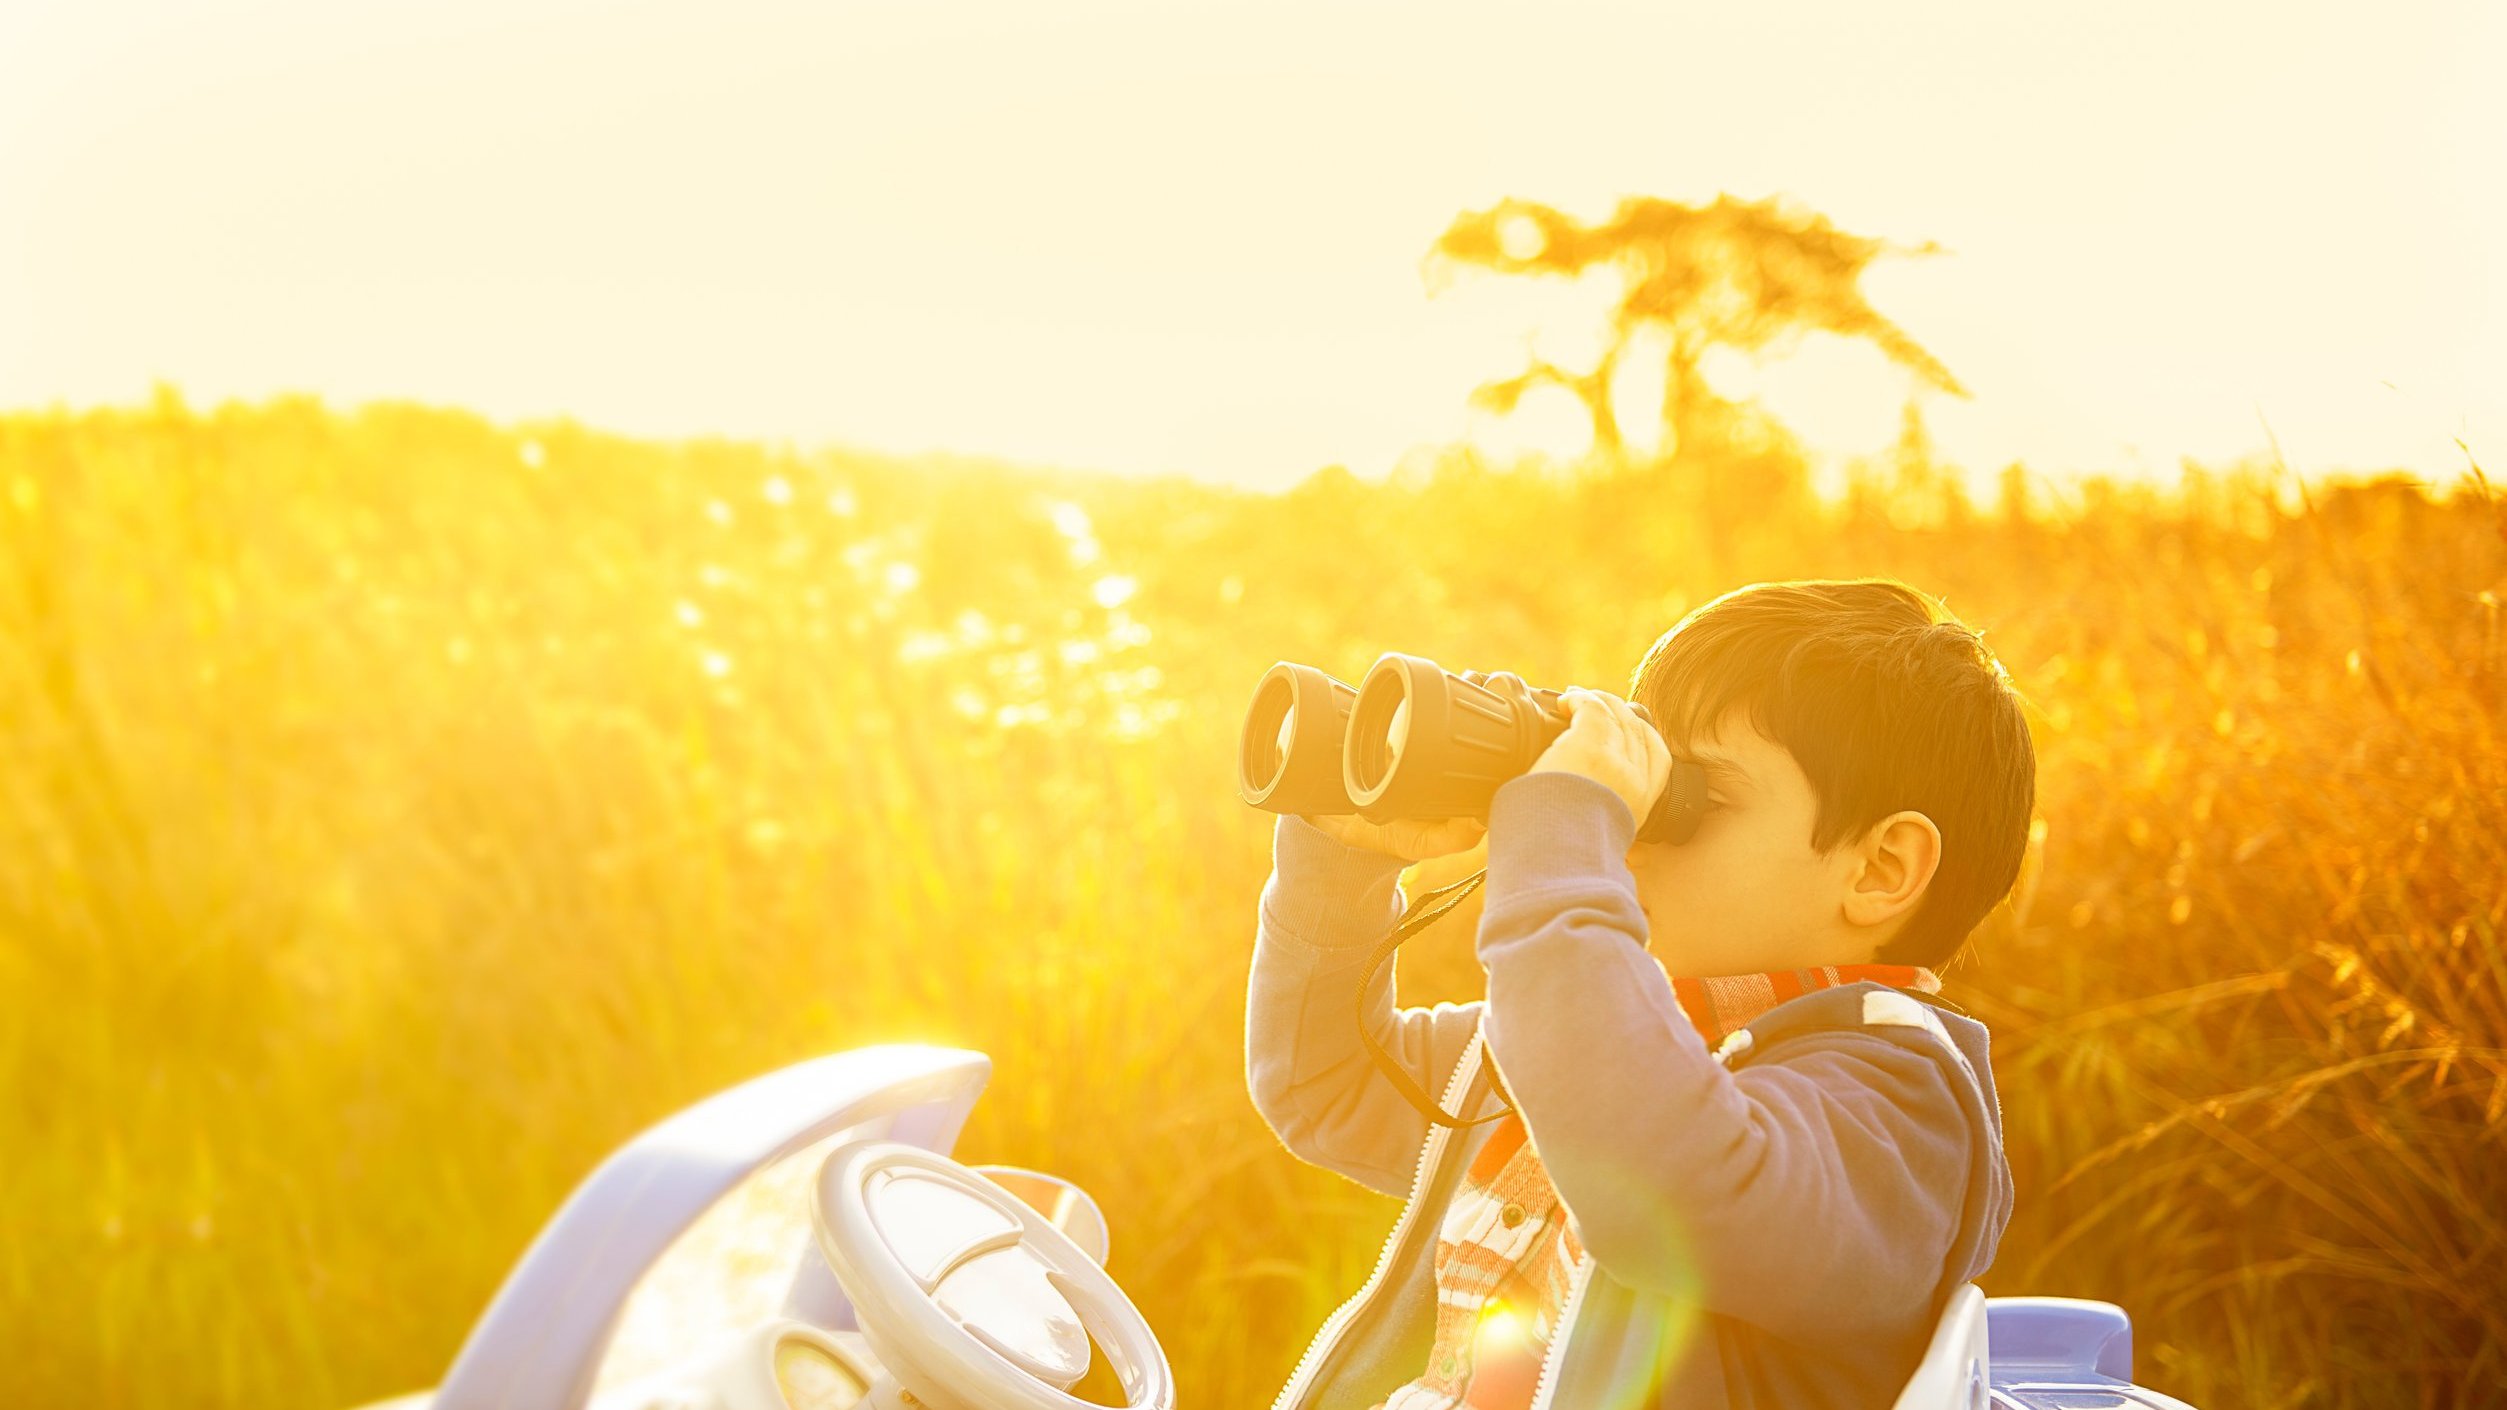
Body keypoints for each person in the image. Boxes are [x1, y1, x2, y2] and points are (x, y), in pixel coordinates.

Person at [1246, 577, 2035, 1409]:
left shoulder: (1897, 1104)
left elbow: (1665, 1184)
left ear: (1878, 870)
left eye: (1694, 799)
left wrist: (1561, 841)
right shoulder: (1612, 1042)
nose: (1631, 832)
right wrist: (1341, 862)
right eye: (1640, 788)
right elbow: (1322, 1086)